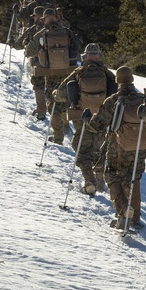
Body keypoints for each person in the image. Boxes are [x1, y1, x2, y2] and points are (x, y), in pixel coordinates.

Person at [86, 66, 146, 229]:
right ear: (132, 80)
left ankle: (123, 211)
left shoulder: (113, 100)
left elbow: (96, 125)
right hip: (141, 148)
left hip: (118, 148)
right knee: (133, 178)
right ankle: (134, 218)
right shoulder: (145, 100)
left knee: (112, 176)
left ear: (117, 81)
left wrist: (87, 120)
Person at [54, 43, 117, 194]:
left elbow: (62, 94)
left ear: (86, 56)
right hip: (102, 118)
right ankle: (100, 179)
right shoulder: (107, 73)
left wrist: (55, 94)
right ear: (99, 56)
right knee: (99, 148)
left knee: (82, 149)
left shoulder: (79, 72)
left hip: (82, 117)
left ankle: (89, 180)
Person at [27, 8, 78, 135]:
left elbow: (29, 52)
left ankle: (58, 135)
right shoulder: (67, 32)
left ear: (44, 20)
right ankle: (66, 126)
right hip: (67, 73)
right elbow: (78, 47)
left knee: (53, 105)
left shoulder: (41, 34)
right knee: (65, 101)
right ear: (56, 17)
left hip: (50, 75)